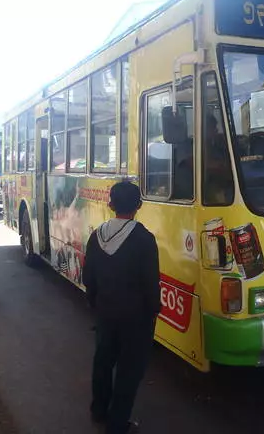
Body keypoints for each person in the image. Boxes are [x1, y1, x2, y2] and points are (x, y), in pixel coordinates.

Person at [82, 181, 161, 434]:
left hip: (105, 312)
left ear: (110, 204)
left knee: (103, 361)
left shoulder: (97, 236)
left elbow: (89, 278)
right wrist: (153, 311)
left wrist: (96, 303)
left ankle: (98, 411)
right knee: (129, 370)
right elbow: (151, 282)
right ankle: (117, 425)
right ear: (139, 205)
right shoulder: (144, 238)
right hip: (136, 318)